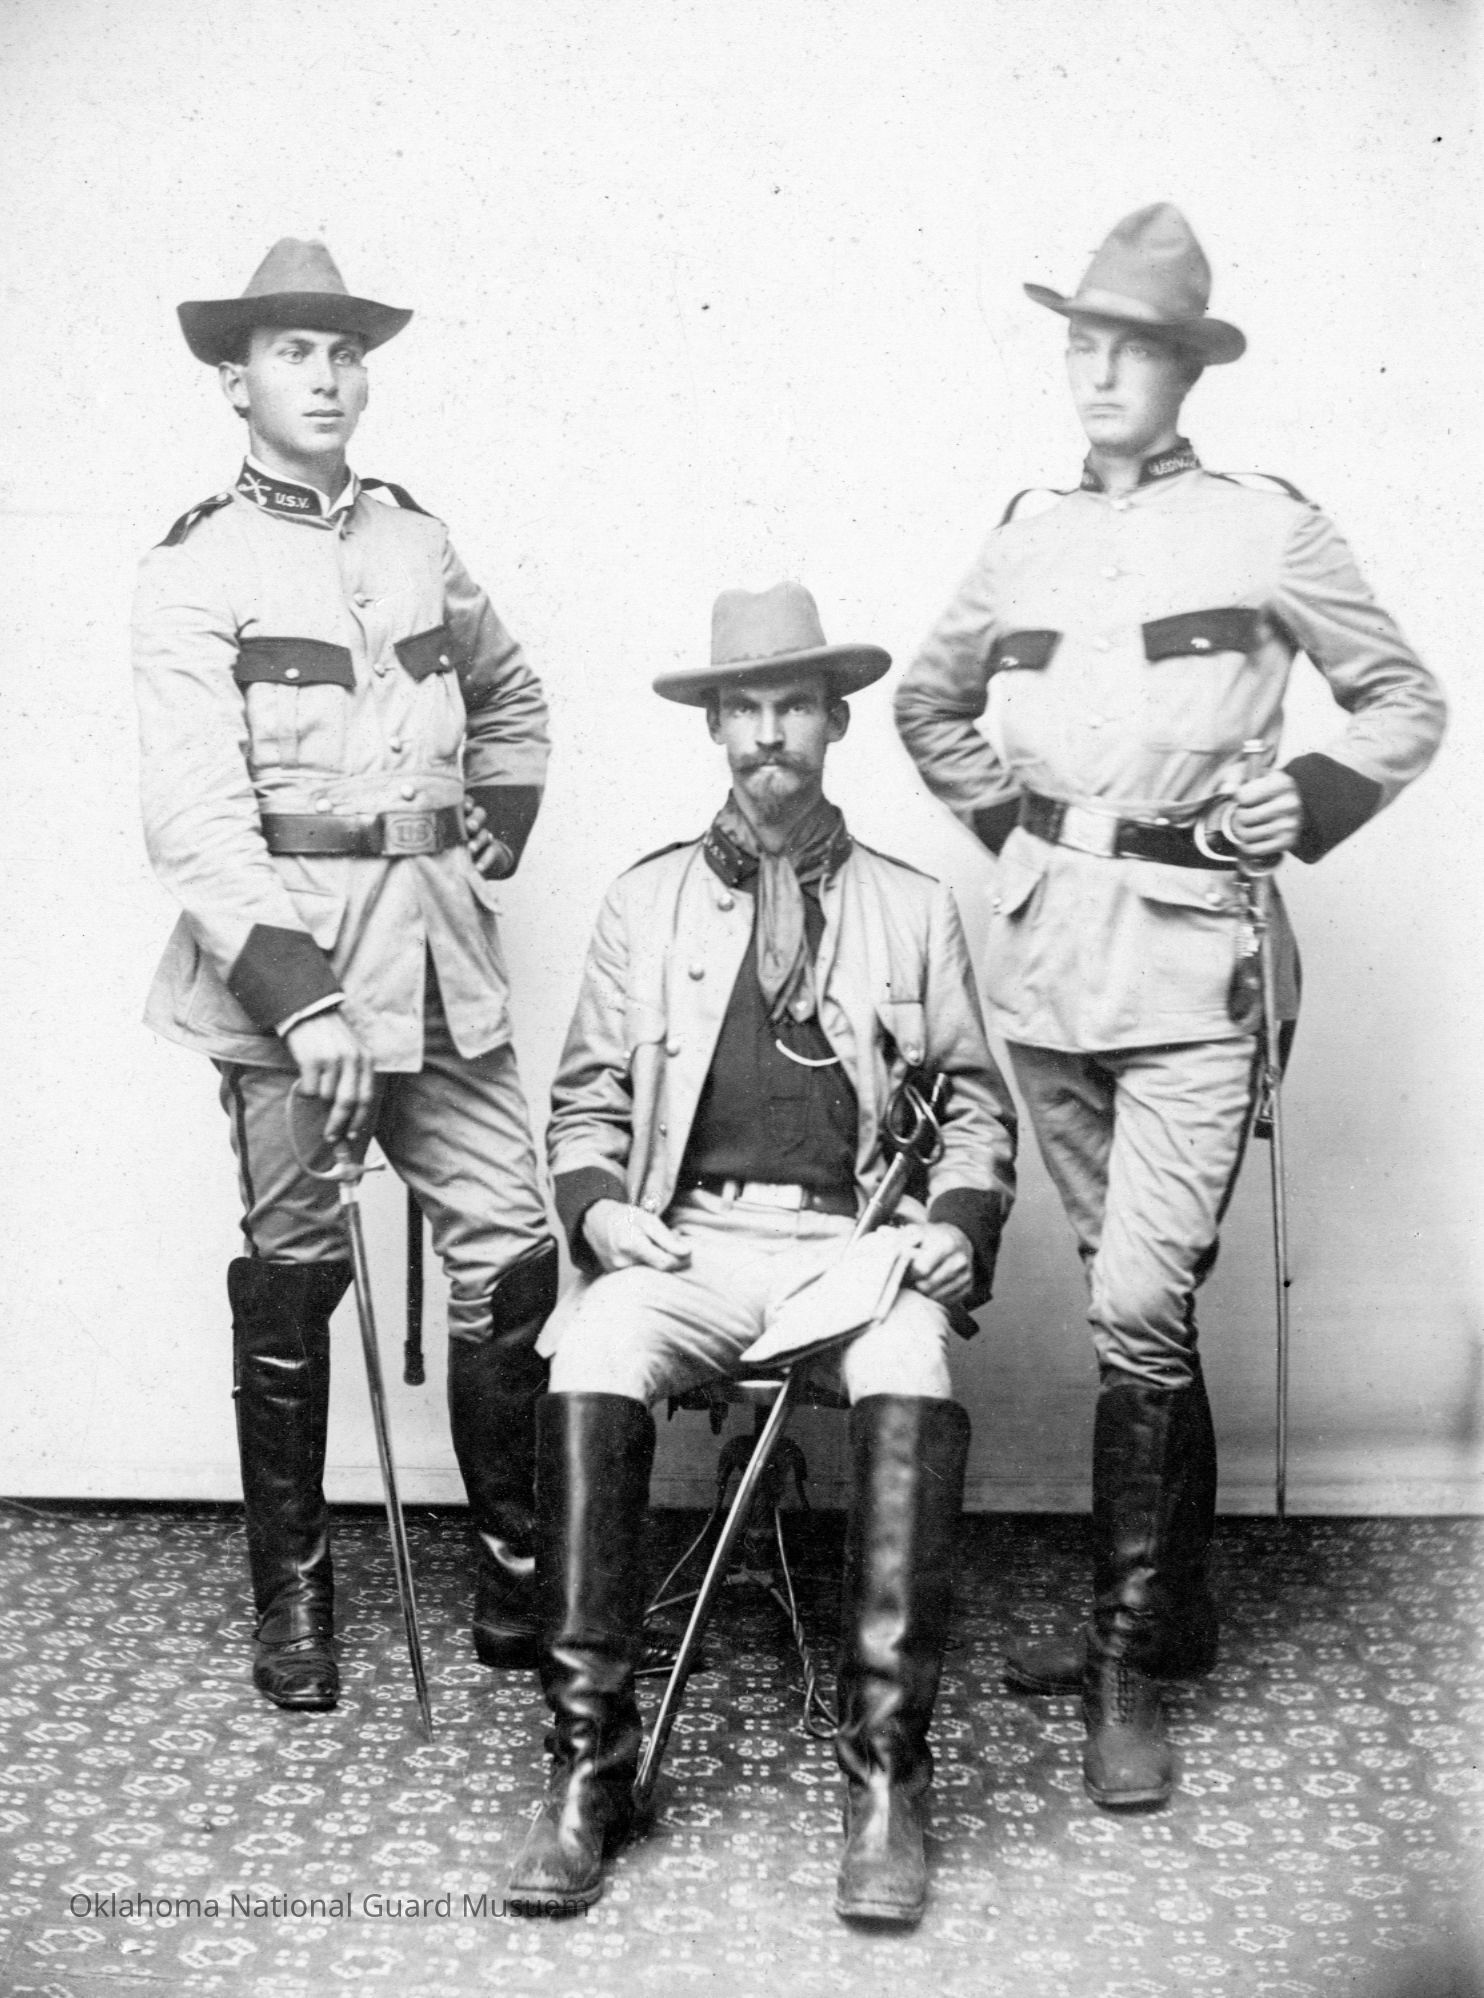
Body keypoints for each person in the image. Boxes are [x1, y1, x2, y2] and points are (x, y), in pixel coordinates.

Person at [894, 204, 1445, 1809]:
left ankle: (1127, 1660)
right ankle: (1178, 1610)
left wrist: (1310, 796)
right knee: (1129, 1298)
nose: (1100, 372)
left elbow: (1404, 697)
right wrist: (1023, 834)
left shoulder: (1266, 530)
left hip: (1202, 965)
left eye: (1132, 349)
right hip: (1050, 968)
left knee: (1137, 1301)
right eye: (1081, 342)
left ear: (1186, 370)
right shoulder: (1025, 536)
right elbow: (929, 702)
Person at [504, 583, 1017, 1924]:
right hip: (688, 1242)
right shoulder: (646, 902)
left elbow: (976, 1110)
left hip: (854, 1246)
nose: (768, 733)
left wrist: (956, 1226)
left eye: (793, 705)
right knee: (591, 1351)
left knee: (914, 1364)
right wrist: (600, 1212)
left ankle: (887, 1778)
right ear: (716, 728)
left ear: (835, 722)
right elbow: (585, 1101)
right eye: (745, 708)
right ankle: (589, 1768)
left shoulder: (912, 907)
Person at [133, 239, 560, 1713]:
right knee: (296, 1275)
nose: (324, 378)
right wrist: (303, 999)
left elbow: (509, 690)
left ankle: (518, 1579)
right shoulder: (196, 567)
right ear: (234, 379)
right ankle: (295, 1596)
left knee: (512, 1256)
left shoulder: (416, 540)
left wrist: (497, 811)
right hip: (295, 988)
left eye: (344, 353)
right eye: (292, 352)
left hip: (438, 965)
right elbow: (195, 822)